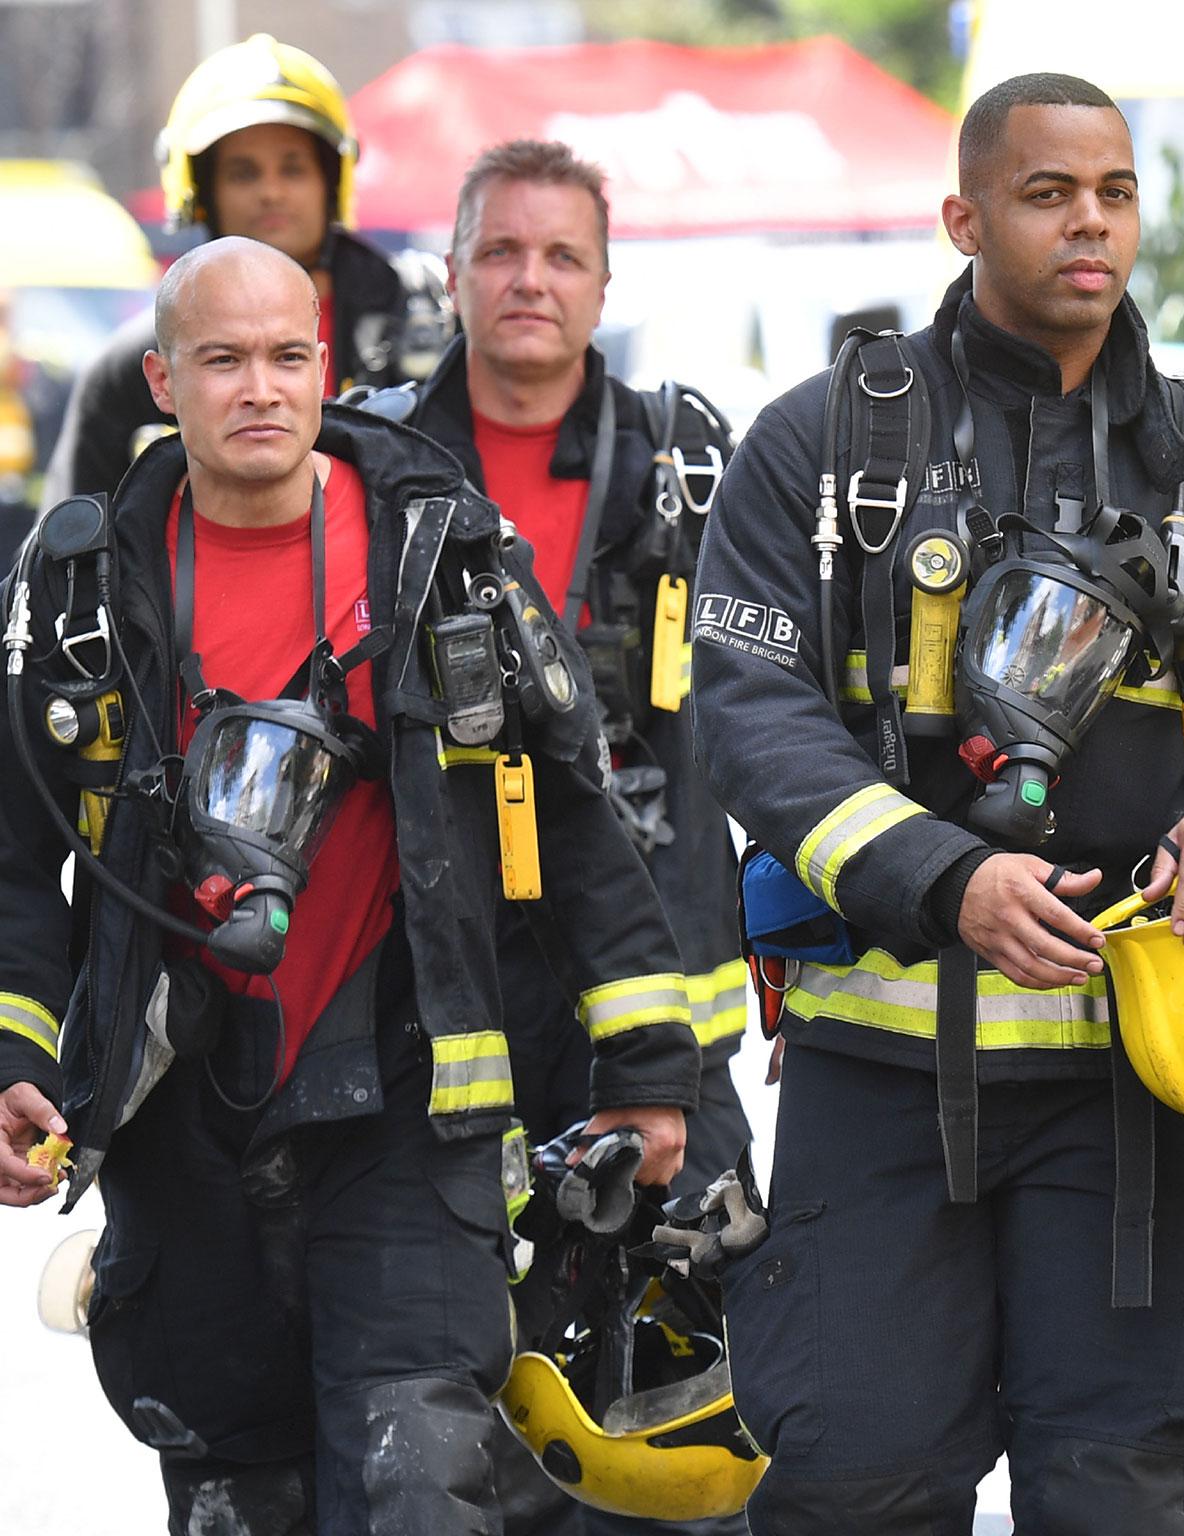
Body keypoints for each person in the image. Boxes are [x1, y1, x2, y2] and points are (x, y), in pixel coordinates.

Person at [690, 72, 1184, 1533]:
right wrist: (944, 878)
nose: (1090, 224)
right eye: (1049, 192)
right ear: (963, 216)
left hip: (1129, 1100)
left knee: (1115, 1496)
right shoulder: (820, 449)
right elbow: (753, 720)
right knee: (854, 1493)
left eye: (1115, 194)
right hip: (873, 1089)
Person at [0, 236, 699, 1534]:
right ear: (163, 379)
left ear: (326, 369)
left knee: (419, 1473)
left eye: (285, 356)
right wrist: (14, 1052)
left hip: (409, 1108)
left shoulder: (442, 559)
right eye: (221, 360)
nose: (258, 387)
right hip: (181, 1122)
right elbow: (13, 852)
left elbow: (579, 816)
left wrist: (650, 1068)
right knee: (237, 1499)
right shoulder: (83, 592)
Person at [360, 138, 751, 1534]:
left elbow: (771, 709)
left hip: (662, 1022)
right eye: (502, 252)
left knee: (684, 1392)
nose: (532, 280)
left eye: (562, 255)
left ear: (604, 281)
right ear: (453, 272)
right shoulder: (371, 468)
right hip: (442, 1016)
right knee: (453, 1398)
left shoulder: (692, 471)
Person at [42, 33, 449, 504]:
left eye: (293, 168)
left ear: (330, 181)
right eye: (244, 173)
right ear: (203, 193)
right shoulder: (130, 370)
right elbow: (71, 554)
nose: (271, 192)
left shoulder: (423, 329)